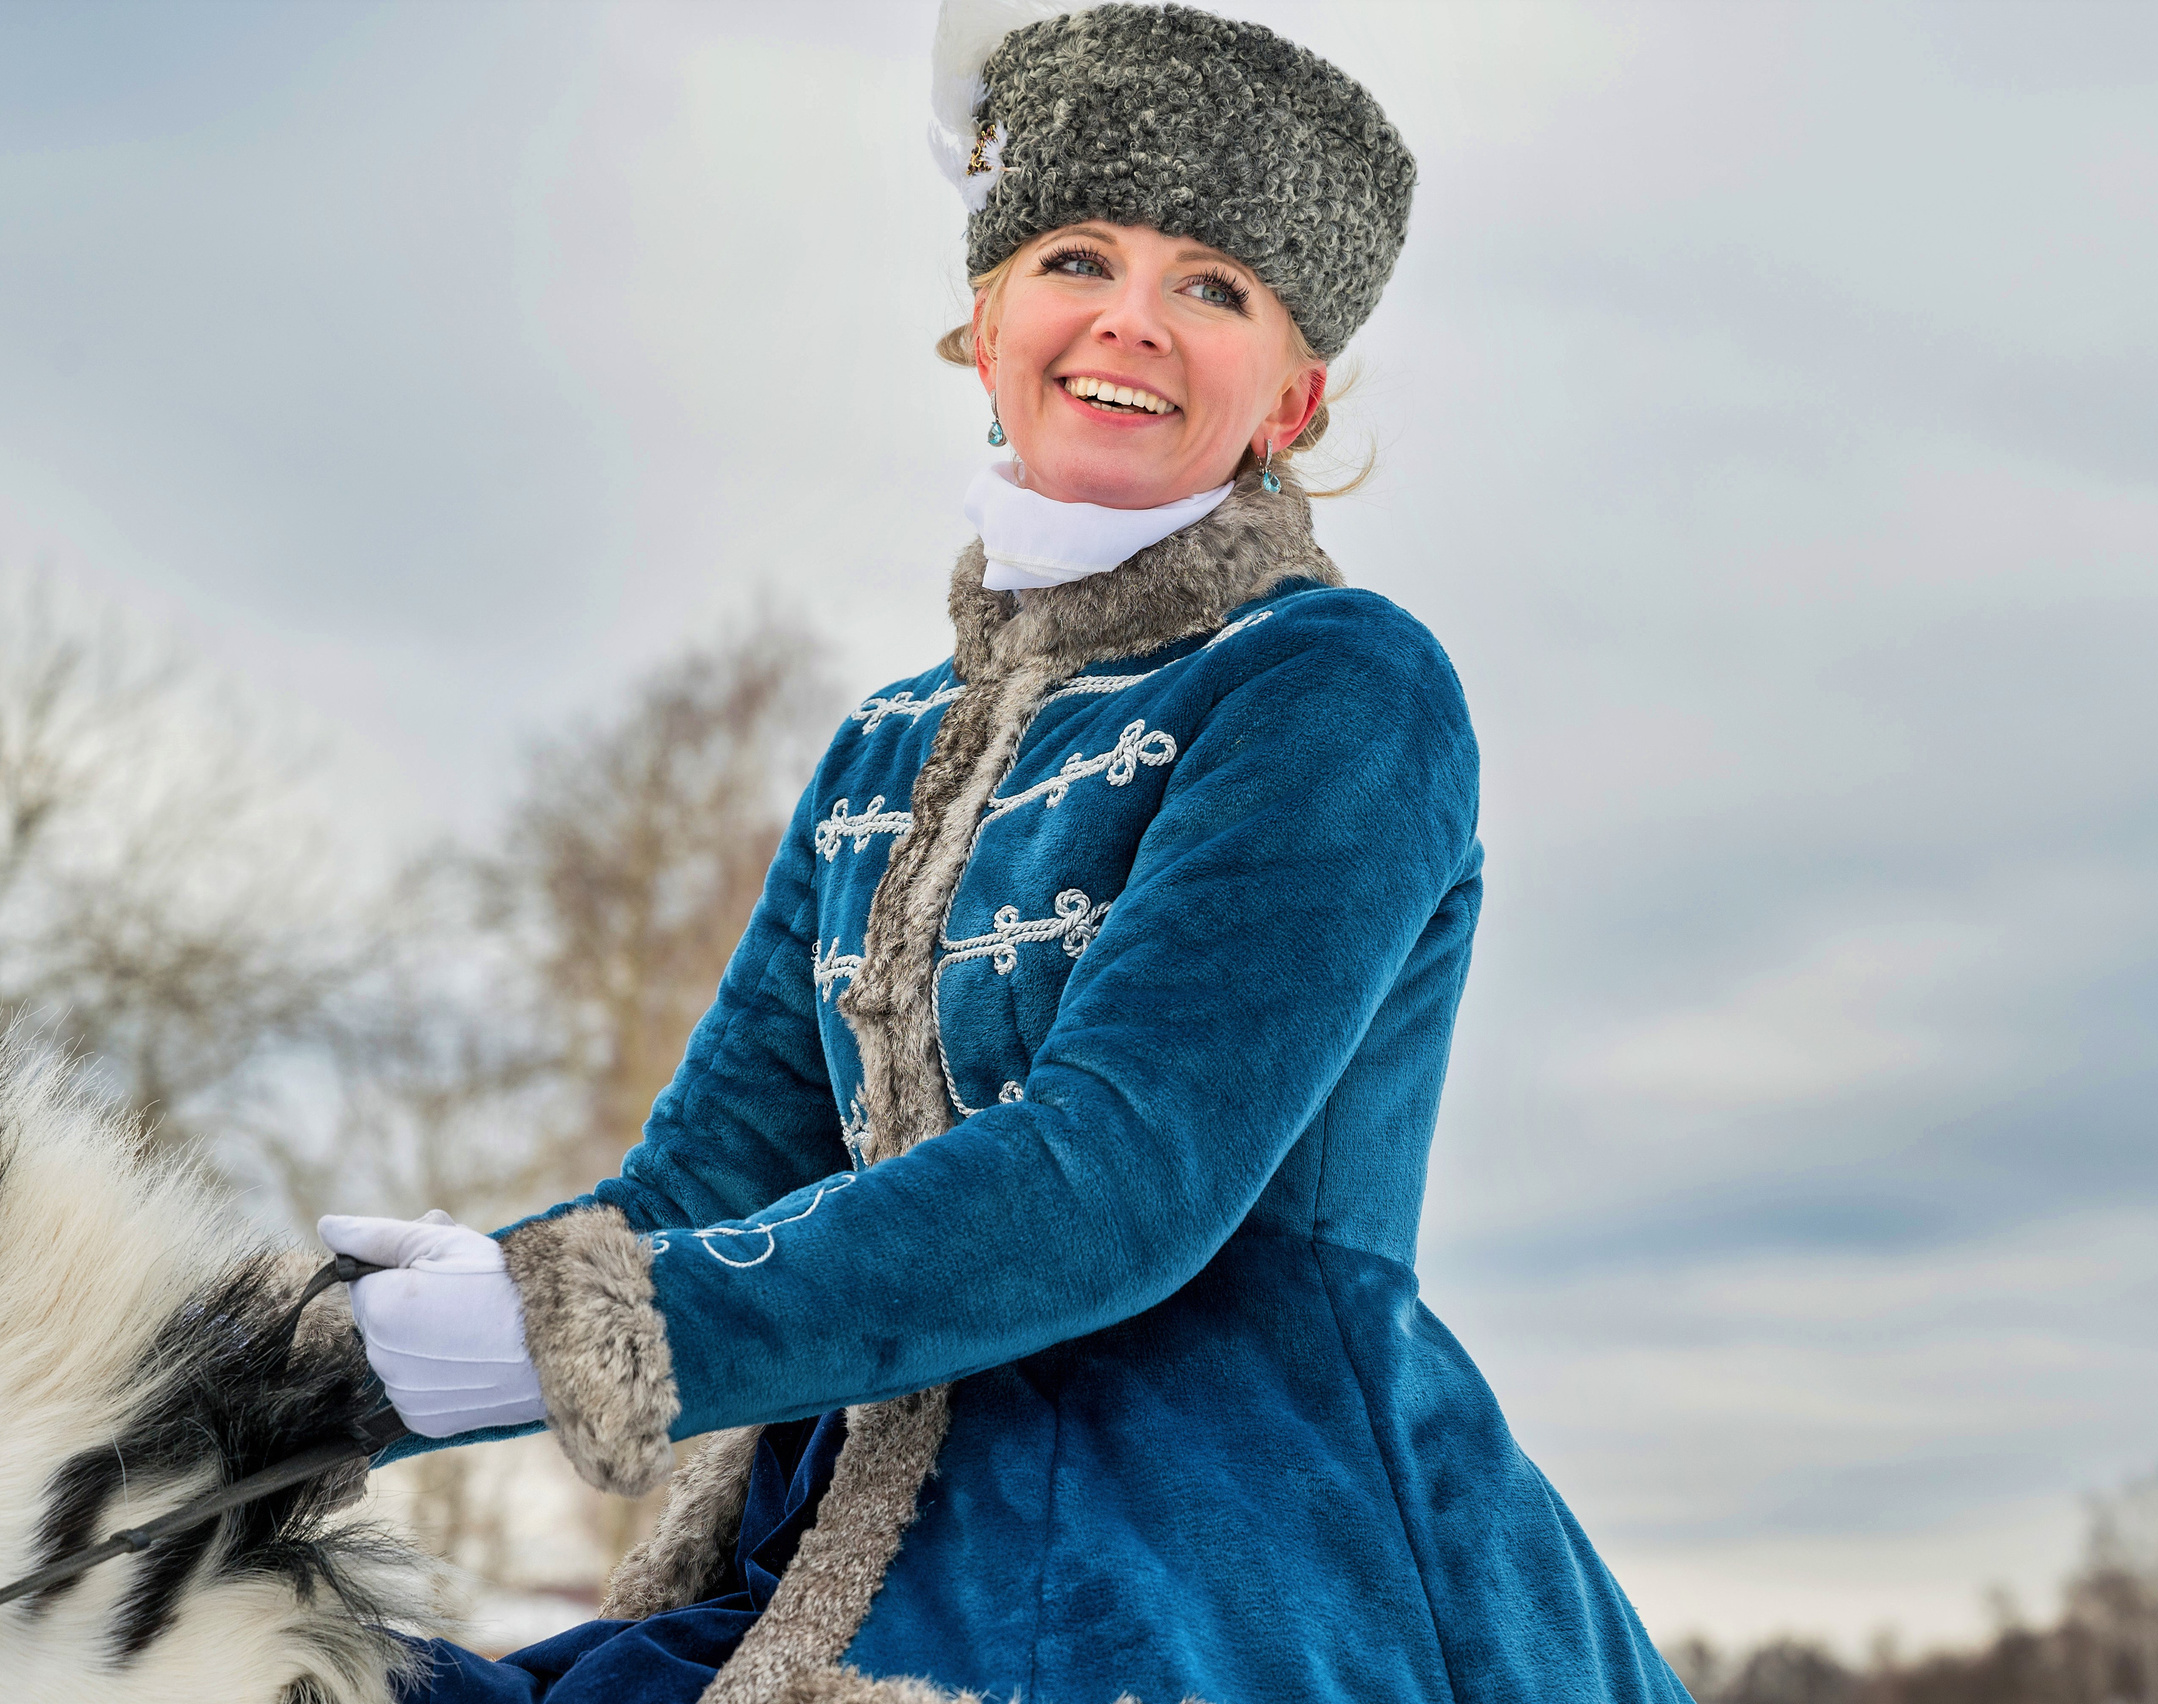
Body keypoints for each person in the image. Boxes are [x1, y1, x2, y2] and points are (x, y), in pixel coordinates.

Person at [319, 6, 1697, 1701]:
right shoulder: (883, 746)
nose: (1132, 318)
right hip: (854, 1535)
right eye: (1077, 257)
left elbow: (1119, 1171)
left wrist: (558, 1340)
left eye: (1214, 285)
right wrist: (324, 1364)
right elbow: (705, 1185)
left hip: (1226, 1557)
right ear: (985, 326)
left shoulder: (1339, 688)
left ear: (1293, 395)